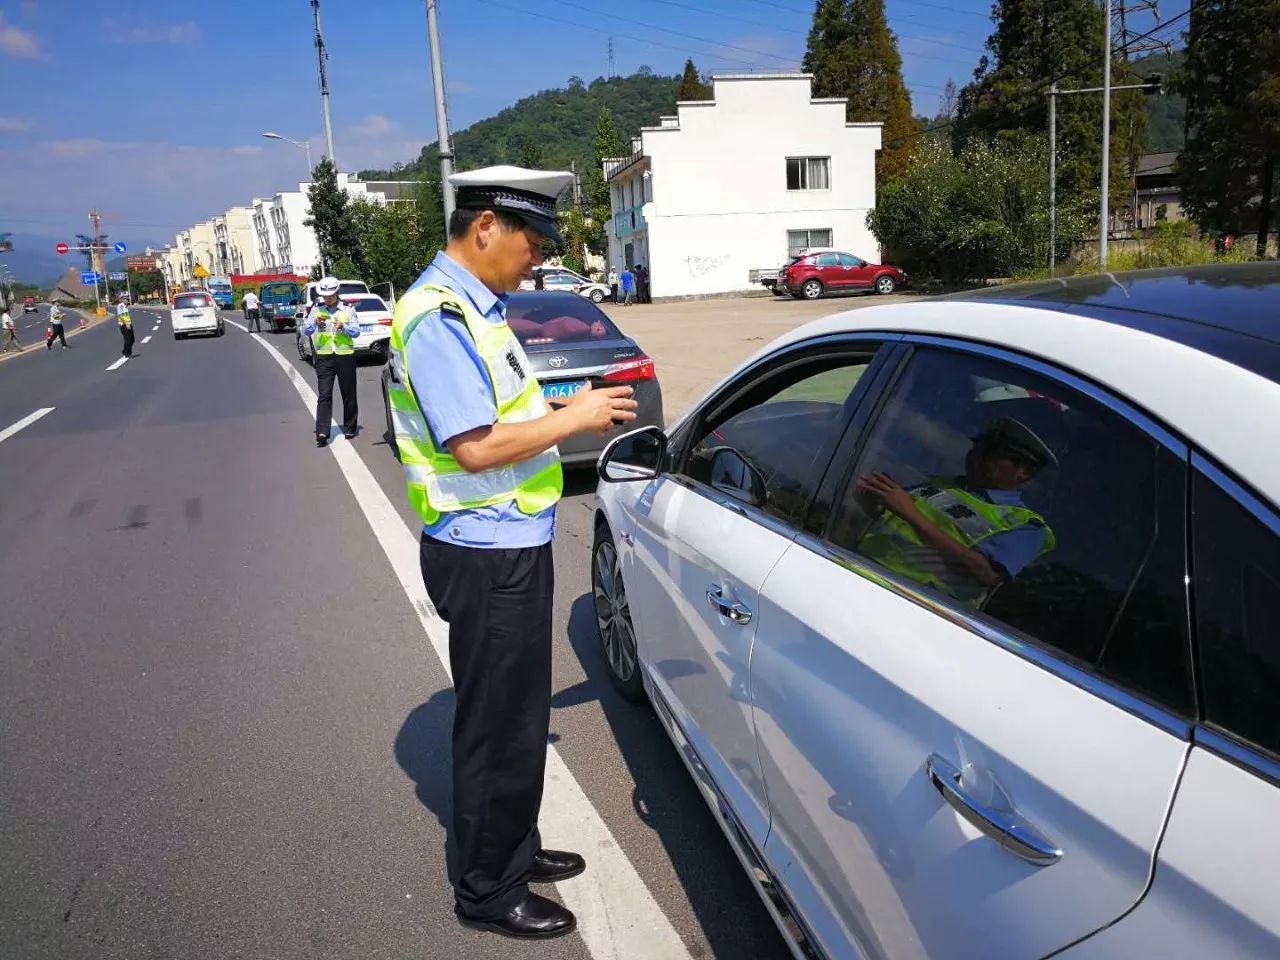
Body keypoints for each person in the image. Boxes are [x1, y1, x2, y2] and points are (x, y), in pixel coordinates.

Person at [387, 165, 638, 940]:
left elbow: (500, 413)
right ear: (486, 226)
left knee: (521, 718)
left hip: (511, 542)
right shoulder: (440, 318)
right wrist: (577, 417)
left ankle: (514, 847)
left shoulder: (478, 309)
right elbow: (474, 447)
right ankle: (488, 888)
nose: (538, 256)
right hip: (484, 551)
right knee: (497, 726)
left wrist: (563, 409)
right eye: (532, 240)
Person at [853, 417, 1057, 608]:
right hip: (861, 574)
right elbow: (897, 525)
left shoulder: (1025, 525)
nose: (975, 455)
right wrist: (870, 503)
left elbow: (987, 573)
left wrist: (910, 513)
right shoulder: (940, 484)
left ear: (1024, 472)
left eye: (991, 453)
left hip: (920, 606)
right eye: (977, 446)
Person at [303, 277, 361, 446]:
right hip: (325, 356)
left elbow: (356, 332)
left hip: (345, 355)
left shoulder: (348, 309)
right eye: (325, 295)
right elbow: (307, 330)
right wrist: (314, 321)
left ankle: (350, 426)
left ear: (337, 293)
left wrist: (344, 327)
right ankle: (322, 431)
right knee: (324, 394)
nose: (328, 298)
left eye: (331, 295)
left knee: (348, 393)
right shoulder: (317, 309)